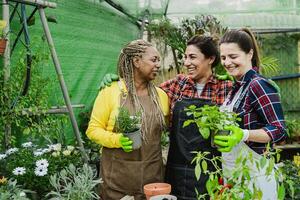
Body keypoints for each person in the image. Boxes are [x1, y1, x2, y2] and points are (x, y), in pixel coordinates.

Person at [100, 35, 233, 199]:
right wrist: (120, 80)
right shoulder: (177, 84)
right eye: (185, 57)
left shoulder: (226, 88)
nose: (186, 63)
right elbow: (142, 89)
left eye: (192, 57)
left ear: (211, 59)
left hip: (210, 168)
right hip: (176, 169)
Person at [86, 39, 169, 200]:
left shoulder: (161, 96)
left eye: (159, 60)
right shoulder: (111, 92)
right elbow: (93, 129)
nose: (158, 64)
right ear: (137, 61)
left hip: (153, 180)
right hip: (117, 182)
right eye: (154, 60)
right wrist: (117, 139)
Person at [214, 28, 287, 199]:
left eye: (233, 57)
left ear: (249, 54)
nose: (227, 62)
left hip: (256, 176)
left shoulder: (258, 85)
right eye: (223, 57)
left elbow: (279, 129)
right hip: (236, 174)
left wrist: (243, 134)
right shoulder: (236, 88)